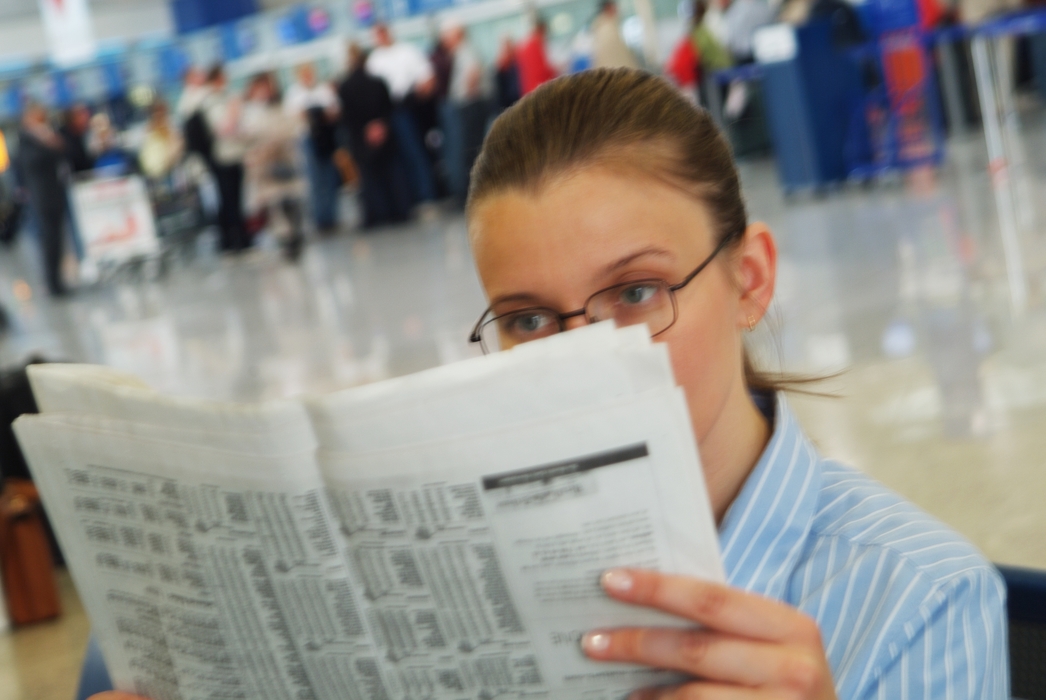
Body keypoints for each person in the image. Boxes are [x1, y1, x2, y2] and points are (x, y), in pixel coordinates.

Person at [464, 69, 1006, 697]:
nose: (583, 359)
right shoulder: (480, 575)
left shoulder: (920, 601)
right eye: (527, 320)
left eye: (637, 292)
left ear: (748, 280)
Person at [338, 44, 411, 228]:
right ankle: (400, 211)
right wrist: (379, 126)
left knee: (370, 178)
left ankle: (378, 214)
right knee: (392, 174)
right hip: (384, 133)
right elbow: (389, 107)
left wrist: (366, 129)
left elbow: (347, 116)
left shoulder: (345, 87)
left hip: (361, 137)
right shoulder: (378, 82)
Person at [366, 23, 438, 206]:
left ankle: (426, 194)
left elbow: (426, 77)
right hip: (386, 111)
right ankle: (408, 197)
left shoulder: (407, 51)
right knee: (398, 158)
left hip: (408, 107)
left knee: (414, 151)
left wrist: (420, 93)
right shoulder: (374, 61)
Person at [244, 74, 306, 260]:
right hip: (264, 168)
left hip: (285, 162)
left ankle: (295, 234)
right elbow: (247, 136)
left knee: (292, 202)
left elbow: (293, 129)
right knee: (275, 206)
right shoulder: (250, 112)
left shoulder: (281, 108)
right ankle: (285, 239)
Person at [16, 103, 68, 297]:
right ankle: (52, 283)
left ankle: (58, 280)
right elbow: (32, 162)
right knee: (48, 240)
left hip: (54, 193)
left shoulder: (47, 136)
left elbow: (62, 151)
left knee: (58, 239)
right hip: (41, 198)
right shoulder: (27, 141)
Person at [283, 63, 341, 233]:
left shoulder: (323, 90)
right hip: (308, 138)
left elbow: (335, 111)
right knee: (315, 179)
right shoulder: (294, 93)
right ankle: (319, 219)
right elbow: (292, 117)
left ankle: (332, 216)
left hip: (326, 137)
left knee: (329, 177)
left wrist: (323, 114)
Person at [440, 20, 492, 205]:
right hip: (469, 105)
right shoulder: (461, 52)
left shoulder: (465, 51)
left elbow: (473, 74)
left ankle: (474, 191)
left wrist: (468, 95)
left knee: (470, 148)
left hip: (470, 106)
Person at [201, 66, 250, 253]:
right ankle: (233, 240)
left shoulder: (227, 98)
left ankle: (241, 237)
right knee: (228, 200)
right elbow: (222, 129)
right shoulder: (210, 103)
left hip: (235, 154)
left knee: (237, 199)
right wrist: (233, 111)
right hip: (222, 157)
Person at [138, 101, 184, 181]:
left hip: (174, 169)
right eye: (155, 112)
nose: (157, 114)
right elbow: (146, 154)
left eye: (159, 111)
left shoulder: (172, 125)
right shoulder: (148, 130)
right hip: (156, 174)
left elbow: (178, 147)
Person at [591, 1, 639, 69]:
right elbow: (618, 59)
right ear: (608, 9)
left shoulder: (606, 27)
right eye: (614, 8)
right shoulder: (607, 29)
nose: (617, 11)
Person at [516, 18, 557, 95]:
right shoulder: (536, 44)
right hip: (540, 88)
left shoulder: (525, 44)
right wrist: (555, 71)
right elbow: (541, 70)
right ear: (542, 30)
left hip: (528, 89)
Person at [493, 37, 522, 113]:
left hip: (518, 103)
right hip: (506, 108)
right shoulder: (499, 68)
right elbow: (499, 96)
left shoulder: (517, 65)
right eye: (505, 49)